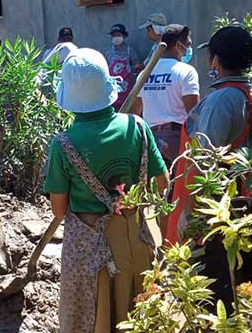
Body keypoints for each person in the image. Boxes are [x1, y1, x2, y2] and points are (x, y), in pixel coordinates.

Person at [44, 48, 169, 333]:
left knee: (96, 318)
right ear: (107, 88)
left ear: (69, 99)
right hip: (137, 240)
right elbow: (164, 183)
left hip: (93, 251)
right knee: (141, 314)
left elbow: (59, 210)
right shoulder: (137, 127)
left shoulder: (64, 144)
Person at [164, 26, 252, 308]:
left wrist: (189, 213)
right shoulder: (247, 93)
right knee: (244, 287)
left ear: (216, 61)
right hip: (245, 196)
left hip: (219, 205)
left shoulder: (220, 100)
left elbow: (204, 160)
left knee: (215, 293)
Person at [131, 24, 199, 168]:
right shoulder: (186, 71)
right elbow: (194, 115)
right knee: (179, 187)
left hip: (150, 141)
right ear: (178, 45)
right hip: (177, 140)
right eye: (188, 44)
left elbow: (134, 114)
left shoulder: (145, 74)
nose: (189, 49)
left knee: (156, 188)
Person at [103, 24, 142, 111]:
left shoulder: (130, 51)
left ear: (124, 36)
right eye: (114, 36)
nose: (116, 37)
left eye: (118, 35)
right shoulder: (108, 53)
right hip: (114, 89)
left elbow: (137, 67)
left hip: (128, 89)